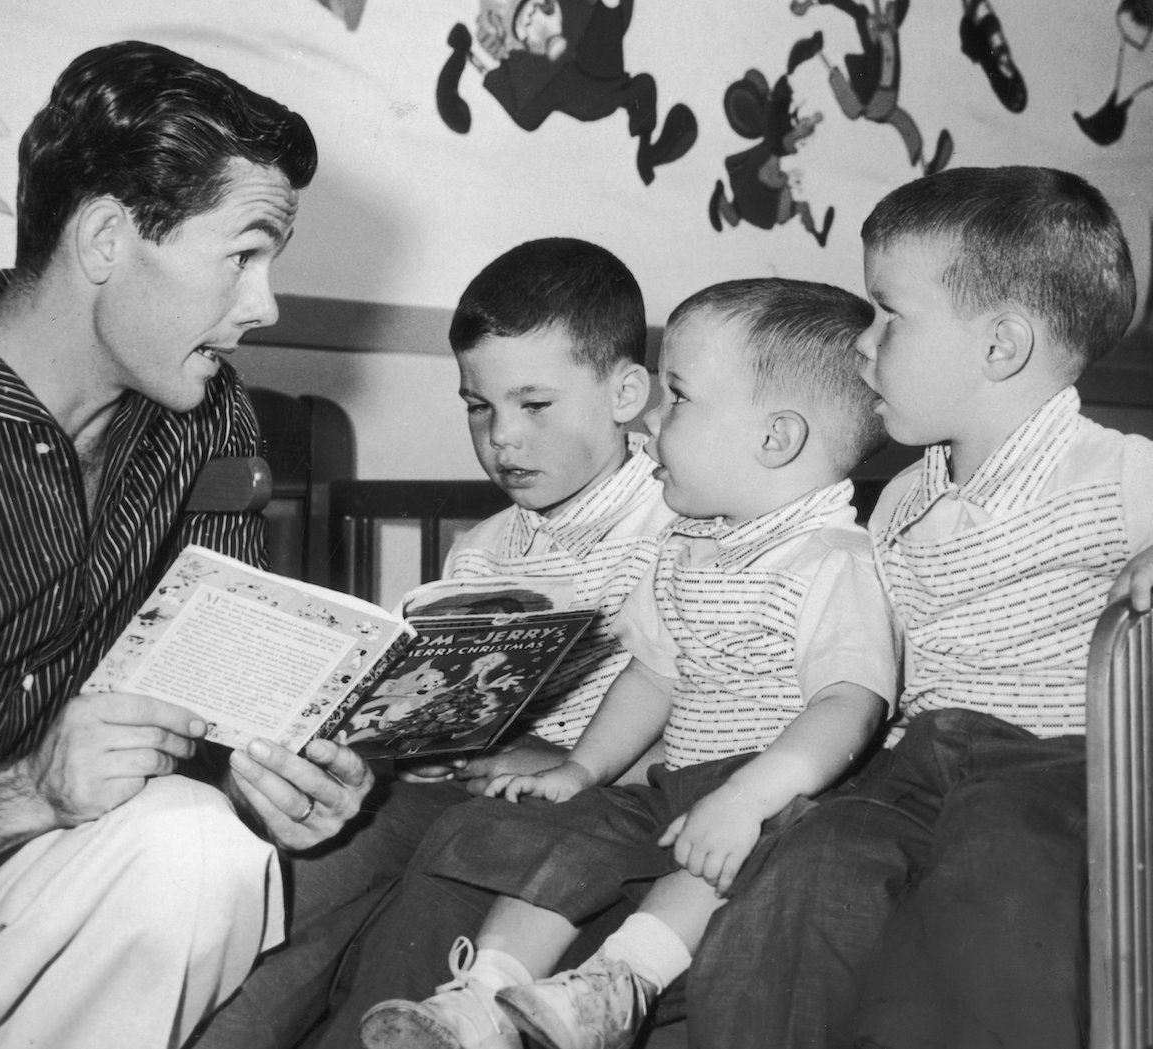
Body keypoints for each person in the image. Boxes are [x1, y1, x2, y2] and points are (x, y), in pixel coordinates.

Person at [0, 40, 373, 1049]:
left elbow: (225, 710)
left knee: (198, 847)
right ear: (105, 238)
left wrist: (282, 780)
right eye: (242, 252)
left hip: (42, 894)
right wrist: (26, 791)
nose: (264, 304)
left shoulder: (205, 418)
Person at [302, 276, 898, 1049]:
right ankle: (481, 991)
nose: (655, 417)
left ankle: (619, 982)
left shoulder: (835, 558)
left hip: (774, 789)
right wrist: (581, 770)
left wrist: (748, 796)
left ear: (776, 438)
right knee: (564, 836)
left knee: (713, 864)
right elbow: (652, 675)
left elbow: (850, 703)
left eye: (678, 398)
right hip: (672, 779)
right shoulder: (693, 548)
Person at [683, 166, 1153, 1049]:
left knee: (995, 875)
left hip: (1057, 769)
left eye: (888, 314)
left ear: (1000, 346)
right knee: (807, 862)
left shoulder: (1123, 471)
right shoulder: (902, 495)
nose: (863, 344)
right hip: (915, 764)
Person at [194, 238, 677, 1048]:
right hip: (463, 788)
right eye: (478, 407)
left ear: (627, 391)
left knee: (418, 873)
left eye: (535, 405)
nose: (502, 439)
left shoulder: (683, 524)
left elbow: (719, 713)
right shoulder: (482, 547)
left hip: (599, 805)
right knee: (297, 870)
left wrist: (565, 760)